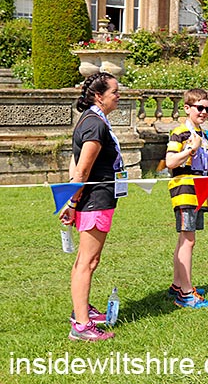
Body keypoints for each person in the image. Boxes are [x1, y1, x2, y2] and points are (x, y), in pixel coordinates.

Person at [59, 72, 122, 342]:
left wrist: (72, 200)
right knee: (87, 261)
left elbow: (75, 164)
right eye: (114, 92)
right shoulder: (95, 124)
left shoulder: (90, 120)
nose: (119, 96)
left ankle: (82, 311)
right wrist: (71, 202)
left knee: (87, 260)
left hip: (95, 199)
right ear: (99, 96)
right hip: (95, 199)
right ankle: (82, 325)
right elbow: (82, 170)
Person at [165, 89, 208, 309]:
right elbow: (170, 162)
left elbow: (203, 169)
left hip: (199, 192)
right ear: (187, 108)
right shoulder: (180, 132)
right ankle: (186, 293)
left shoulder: (202, 134)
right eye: (199, 108)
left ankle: (178, 284)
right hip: (184, 190)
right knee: (188, 240)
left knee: (184, 239)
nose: (204, 112)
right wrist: (190, 150)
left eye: (207, 109)